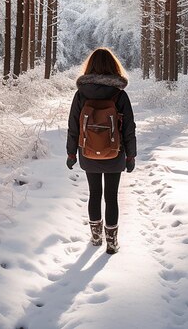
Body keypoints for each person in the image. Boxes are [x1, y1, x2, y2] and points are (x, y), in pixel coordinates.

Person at [66, 48, 136, 254]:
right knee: (111, 196)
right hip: (115, 152)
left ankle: (96, 237)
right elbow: (129, 128)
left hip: (87, 151)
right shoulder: (119, 95)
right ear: (114, 66)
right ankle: (112, 243)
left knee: (94, 193)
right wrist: (131, 155)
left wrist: (71, 153)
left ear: (90, 66)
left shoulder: (81, 94)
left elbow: (73, 126)